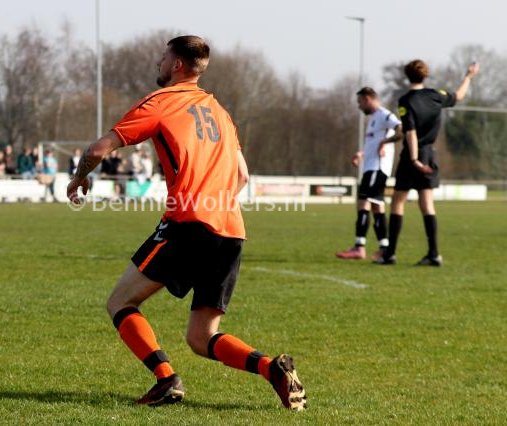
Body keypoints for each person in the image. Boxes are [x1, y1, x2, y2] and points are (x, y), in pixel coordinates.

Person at [67, 35, 306, 410]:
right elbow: (242, 175)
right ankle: (270, 368)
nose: (158, 63)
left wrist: (79, 177)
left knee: (120, 302)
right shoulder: (220, 112)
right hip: (230, 230)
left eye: (163, 57)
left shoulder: (161, 102)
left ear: (177, 64)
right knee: (201, 337)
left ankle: (166, 380)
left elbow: (99, 149)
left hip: (189, 222)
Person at [375, 60, 480, 266]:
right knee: (427, 204)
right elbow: (458, 96)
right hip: (429, 154)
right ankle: (433, 254)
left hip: (412, 155)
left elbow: (411, 132)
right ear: (425, 75)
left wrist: (414, 159)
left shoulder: (406, 100)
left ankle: (390, 254)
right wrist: (468, 77)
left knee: (398, 201)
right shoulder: (435, 95)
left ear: (407, 76)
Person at [336, 87, 402, 260]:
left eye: (359, 102)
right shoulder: (373, 119)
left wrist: (385, 142)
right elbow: (372, 143)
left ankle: (359, 248)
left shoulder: (385, 115)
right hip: (371, 167)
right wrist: (361, 153)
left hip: (377, 168)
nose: (359, 106)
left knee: (363, 203)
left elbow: (401, 130)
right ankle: (384, 248)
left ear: (367, 99)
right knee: (377, 206)